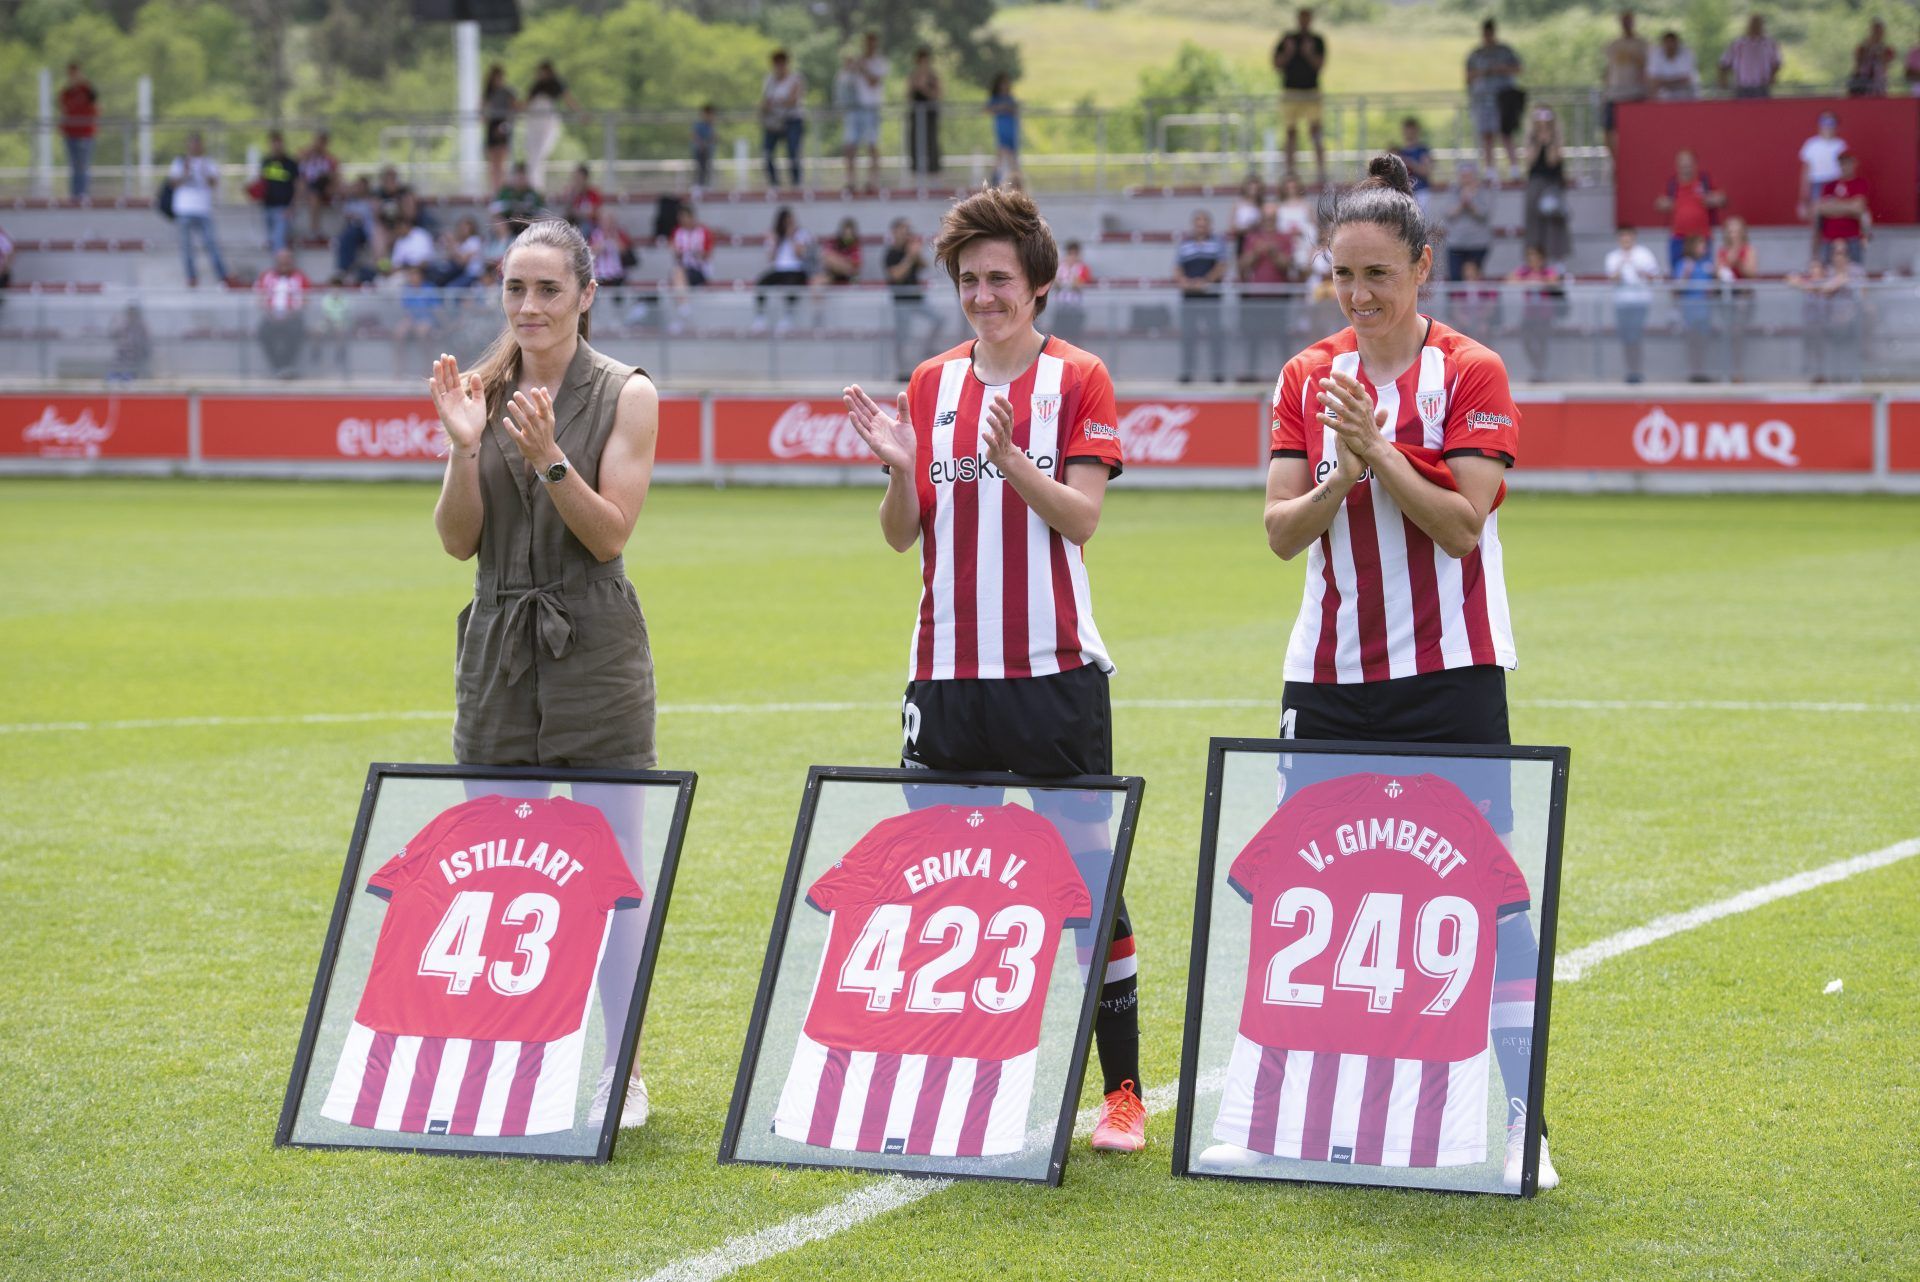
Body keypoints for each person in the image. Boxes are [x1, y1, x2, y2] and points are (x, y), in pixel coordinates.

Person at [1257, 151, 1553, 1192]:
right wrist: (1340, 474)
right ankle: (1319, 1113)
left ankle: (1524, 1121)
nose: (1359, 294)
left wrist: (1379, 454)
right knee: (1320, 893)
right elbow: (1281, 533)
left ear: (1424, 268)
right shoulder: (1305, 376)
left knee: (1486, 902)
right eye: (1343, 274)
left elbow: (1463, 528)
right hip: (1329, 678)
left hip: (1453, 674)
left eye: (1379, 273)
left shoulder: (1471, 371)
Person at [840, 184, 1149, 1156]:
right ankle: (955, 1083)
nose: (984, 295)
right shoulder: (930, 383)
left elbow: (1083, 518)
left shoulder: (1080, 379)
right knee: (940, 883)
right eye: (970, 281)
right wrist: (899, 470)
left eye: (1001, 280)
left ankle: (1124, 1094)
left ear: (1041, 286)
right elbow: (899, 539)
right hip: (946, 676)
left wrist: (1012, 459)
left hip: (1054, 674)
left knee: (1087, 882)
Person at [426, 217, 663, 1132]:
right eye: (514, 289)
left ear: (586, 296)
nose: (528, 306)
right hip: (496, 640)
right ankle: (499, 1059)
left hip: (595, 643)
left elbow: (609, 534)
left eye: (548, 290)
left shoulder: (627, 393)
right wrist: (461, 446)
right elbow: (456, 543)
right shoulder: (475, 389)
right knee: (490, 864)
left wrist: (547, 459)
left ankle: (623, 1070)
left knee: (611, 871)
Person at [1237, 202, 1298, 382]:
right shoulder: (1252, 238)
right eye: (1266, 217)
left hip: (1279, 297)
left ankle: (1288, 377)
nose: (1269, 221)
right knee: (1252, 338)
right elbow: (1243, 266)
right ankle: (1250, 373)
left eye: (1272, 218)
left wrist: (1272, 251)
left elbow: (1287, 266)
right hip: (1256, 297)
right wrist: (1256, 252)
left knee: (1282, 340)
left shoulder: (1285, 238)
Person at [1274, 8, 1327, 187]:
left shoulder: (1317, 40)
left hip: (1311, 91)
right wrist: (1288, 52)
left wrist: (1308, 52)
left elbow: (1320, 65)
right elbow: (1276, 64)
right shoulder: (1288, 38)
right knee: (1290, 132)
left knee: (1316, 131)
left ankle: (1321, 171)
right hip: (1291, 91)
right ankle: (1289, 171)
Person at [1466, 19, 1524, 181]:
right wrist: (1483, 72)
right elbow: (1468, 76)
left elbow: (1518, 68)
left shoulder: (1505, 51)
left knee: (1506, 135)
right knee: (1487, 136)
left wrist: (1502, 69)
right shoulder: (1476, 54)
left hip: (1503, 100)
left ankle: (1514, 170)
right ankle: (1490, 171)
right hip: (1483, 100)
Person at [168, 132, 228, 287]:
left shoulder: (208, 163)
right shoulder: (179, 162)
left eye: (197, 143)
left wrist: (203, 171)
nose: (194, 147)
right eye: (191, 143)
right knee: (187, 246)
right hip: (184, 209)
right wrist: (185, 173)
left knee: (211, 243)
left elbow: (214, 183)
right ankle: (191, 277)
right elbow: (173, 184)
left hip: (203, 209)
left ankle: (222, 276)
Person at [1175, 209, 1228, 384]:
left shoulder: (1217, 242)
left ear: (1209, 225)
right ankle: (1187, 373)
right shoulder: (1184, 243)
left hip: (1211, 296)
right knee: (1188, 336)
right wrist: (1186, 282)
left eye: (1204, 221)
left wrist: (1205, 281)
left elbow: (1221, 266)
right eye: (1198, 221)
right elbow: (1177, 268)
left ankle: (1217, 374)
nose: (1201, 224)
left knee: (1215, 336)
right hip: (1189, 297)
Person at [883, 217, 941, 378]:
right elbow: (896, 276)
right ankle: (901, 371)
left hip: (917, 298)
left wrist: (916, 253)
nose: (906, 233)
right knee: (902, 338)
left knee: (938, 320)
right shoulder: (891, 253)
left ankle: (926, 348)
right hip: (901, 302)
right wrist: (909, 256)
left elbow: (924, 267)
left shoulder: (909, 249)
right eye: (903, 229)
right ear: (895, 232)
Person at [1604, 226, 1662, 384]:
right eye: (1623, 237)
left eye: (1628, 236)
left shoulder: (1644, 254)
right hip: (1622, 303)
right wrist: (1622, 265)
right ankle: (1630, 370)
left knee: (1635, 337)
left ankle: (1637, 370)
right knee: (1626, 338)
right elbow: (1612, 278)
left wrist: (1640, 270)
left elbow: (1655, 277)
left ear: (1634, 237)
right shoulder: (1613, 257)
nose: (1626, 240)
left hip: (1639, 302)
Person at [1654, 148, 1725, 275]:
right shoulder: (1673, 184)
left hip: (1701, 237)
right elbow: (1659, 203)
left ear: (1695, 164)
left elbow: (1723, 199)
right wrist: (1663, 203)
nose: (1685, 167)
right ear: (1677, 166)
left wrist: (1715, 199)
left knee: (1704, 272)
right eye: (1682, 164)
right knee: (1678, 273)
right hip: (1678, 237)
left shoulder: (1704, 181)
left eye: (1688, 164)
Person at [1506, 244, 1564, 383]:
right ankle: (1537, 368)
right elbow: (1510, 280)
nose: (1533, 259)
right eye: (1530, 256)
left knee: (1542, 343)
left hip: (1544, 315)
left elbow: (1554, 280)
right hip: (1529, 314)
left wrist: (1538, 281)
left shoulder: (1546, 271)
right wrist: (1528, 280)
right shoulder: (1525, 271)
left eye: (1536, 256)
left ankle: (1541, 372)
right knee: (1526, 341)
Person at [751, 206, 813, 333]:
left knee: (790, 284)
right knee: (761, 283)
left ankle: (788, 315)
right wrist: (773, 241)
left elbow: (801, 254)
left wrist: (791, 237)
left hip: (796, 268)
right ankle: (760, 316)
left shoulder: (802, 234)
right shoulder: (776, 236)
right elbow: (771, 258)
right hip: (779, 268)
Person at [522, 60, 580, 193]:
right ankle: (534, 184)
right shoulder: (536, 86)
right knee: (533, 154)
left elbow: (568, 99)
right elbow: (526, 103)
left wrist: (580, 113)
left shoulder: (556, 84)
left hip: (546, 120)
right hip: (534, 121)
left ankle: (537, 185)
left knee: (540, 153)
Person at [1522, 107, 1570, 267]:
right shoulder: (1530, 138)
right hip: (1535, 183)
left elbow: (1552, 161)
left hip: (1552, 185)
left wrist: (1549, 141)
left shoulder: (1557, 138)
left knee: (1554, 223)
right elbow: (1530, 161)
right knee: (1534, 224)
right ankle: (1534, 260)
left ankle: (1556, 261)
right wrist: (1537, 140)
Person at [841, 32, 887, 194]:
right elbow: (845, 82)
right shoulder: (857, 62)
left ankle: (872, 181)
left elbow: (874, 81)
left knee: (872, 145)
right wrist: (849, 67)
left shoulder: (879, 62)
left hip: (871, 109)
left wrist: (862, 67)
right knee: (850, 146)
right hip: (855, 108)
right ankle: (850, 181)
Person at [1714, 214, 1759, 382]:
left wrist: (1737, 262)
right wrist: (1726, 262)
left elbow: (1751, 273)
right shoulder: (1722, 251)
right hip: (1726, 298)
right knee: (1727, 334)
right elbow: (1718, 273)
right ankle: (1726, 369)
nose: (1733, 234)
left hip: (1742, 297)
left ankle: (1737, 371)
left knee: (1738, 335)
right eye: (1730, 231)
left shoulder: (1749, 249)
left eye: (1737, 231)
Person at [254, 247, 310, 378]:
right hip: (271, 317)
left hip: (292, 317)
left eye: (287, 262)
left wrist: (291, 314)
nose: (284, 265)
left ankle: (287, 365)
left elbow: (306, 301)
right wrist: (270, 313)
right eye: (281, 262)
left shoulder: (300, 277)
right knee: (263, 332)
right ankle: (278, 366)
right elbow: (259, 299)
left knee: (297, 331)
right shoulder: (266, 276)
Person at [1601, 11, 1649, 160]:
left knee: (1637, 132)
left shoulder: (1642, 44)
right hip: (1614, 94)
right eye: (1623, 21)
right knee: (1608, 129)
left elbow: (1648, 68)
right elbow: (1608, 69)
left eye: (1629, 21)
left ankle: (1636, 159)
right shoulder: (1613, 45)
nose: (1626, 24)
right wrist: (1606, 90)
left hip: (1636, 95)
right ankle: (1616, 161)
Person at [1798, 112, 1848, 251]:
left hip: (1835, 183)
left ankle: (1835, 258)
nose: (1827, 127)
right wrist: (1803, 198)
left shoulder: (1840, 144)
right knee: (1816, 224)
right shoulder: (1811, 144)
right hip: (1817, 184)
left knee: (1835, 222)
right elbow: (1806, 171)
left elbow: (1845, 169)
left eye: (1831, 123)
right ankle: (1815, 260)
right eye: (1824, 123)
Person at [1814, 151, 1871, 267]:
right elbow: (1821, 208)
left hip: (1852, 237)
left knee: (1855, 271)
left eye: (1848, 163)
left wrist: (1834, 205)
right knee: (1827, 273)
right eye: (1842, 164)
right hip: (1829, 237)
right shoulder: (1830, 186)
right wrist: (1848, 207)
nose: (1845, 167)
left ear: (1854, 164)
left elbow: (1859, 208)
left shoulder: (1859, 183)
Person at [1438, 161, 1493, 281]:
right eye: (1463, 176)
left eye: (1469, 176)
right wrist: (1462, 203)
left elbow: (1484, 214)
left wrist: (1471, 204)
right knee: (1455, 278)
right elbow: (1447, 213)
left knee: (1475, 280)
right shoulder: (1452, 191)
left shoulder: (1484, 191)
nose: (1466, 179)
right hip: (1456, 244)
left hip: (1478, 244)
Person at [1672, 234, 1716, 382]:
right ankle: (1693, 372)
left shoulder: (1707, 264)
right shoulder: (1684, 264)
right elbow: (1677, 288)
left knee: (1703, 342)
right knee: (1692, 342)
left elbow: (1714, 285)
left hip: (1706, 309)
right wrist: (1686, 273)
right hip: (1690, 309)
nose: (1704, 248)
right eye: (1700, 245)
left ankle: (1702, 371)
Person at [760, 50, 807, 189]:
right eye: (776, 63)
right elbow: (765, 102)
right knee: (767, 153)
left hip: (792, 120)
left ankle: (796, 182)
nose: (779, 66)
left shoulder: (796, 78)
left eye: (781, 63)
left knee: (793, 151)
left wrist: (777, 102)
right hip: (773, 122)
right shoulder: (769, 80)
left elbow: (793, 100)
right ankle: (774, 183)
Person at [668, 202, 713, 333]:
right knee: (678, 273)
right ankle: (683, 309)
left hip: (699, 270)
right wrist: (676, 251)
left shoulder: (703, 232)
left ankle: (683, 310)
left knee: (678, 274)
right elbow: (675, 253)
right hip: (683, 269)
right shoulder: (677, 232)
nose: (684, 221)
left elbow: (707, 255)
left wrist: (693, 251)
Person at [58, 63, 98, 201]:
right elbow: (63, 108)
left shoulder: (87, 90)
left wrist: (85, 83)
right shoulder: (66, 92)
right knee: (74, 164)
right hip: (71, 133)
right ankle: (75, 194)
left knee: (83, 164)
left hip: (85, 133)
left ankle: (83, 193)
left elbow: (94, 100)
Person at [257, 129, 299, 254]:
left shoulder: (290, 163)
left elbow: (298, 186)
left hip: (283, 208)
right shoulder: (266, 162)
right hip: (268, 206)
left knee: (278, 240)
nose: (276, 146)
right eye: (273, 143)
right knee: (272, 240)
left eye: (278, 143)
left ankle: (281, 270)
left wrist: (292, 206)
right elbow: (261, 182)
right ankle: (278, 268)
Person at [1718, 15, 1780, 98]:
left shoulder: (1769, 44)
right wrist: (1723, 80)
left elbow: (1776, 63)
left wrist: (1773, 76)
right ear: (1749, 26)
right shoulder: (1738, 44)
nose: (1756, 27)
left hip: (1762, 86)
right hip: (1742, 87)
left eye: (1759, 24)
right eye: (1754, 24)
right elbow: (1724, 63)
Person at [481, 64, 519, 195]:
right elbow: (482, 110)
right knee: (493, 163)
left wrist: (505, 124)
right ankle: (494, 190)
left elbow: (514, 108)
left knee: (501, 162)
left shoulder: (507, 92)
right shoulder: (488, 92)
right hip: (492, 125)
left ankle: (501, 190)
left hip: (503, 124)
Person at [1051, 237, 1093, 347]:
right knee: (1059, 335)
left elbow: (1080, 284)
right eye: (1070, 253)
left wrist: (1069, 275)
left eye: (1075, 254)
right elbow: (1054, 283)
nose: (1072, 256)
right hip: (1061, 307)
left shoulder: (1082, 268)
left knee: (1075, 337)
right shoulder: (1060, 267)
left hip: (1075, 308)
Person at [907, 48, 942, 176]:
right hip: (916, 114)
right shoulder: (913, 76)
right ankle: (916, 170)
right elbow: (908, 96)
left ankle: (933, 170)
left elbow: (938, 94)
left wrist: (924, 88)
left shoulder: (933, 77)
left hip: (930, 114)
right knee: (915, 141)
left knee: (931, 141)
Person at [297, 132, 339, 238]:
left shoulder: (329, 159)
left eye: (323, 142)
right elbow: (299, 170)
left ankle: (335, 200)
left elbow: (335, 174)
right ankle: (314, 229)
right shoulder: (307, 156)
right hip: (310, 187)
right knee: (313, 195)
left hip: (324, 186)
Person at [1392, 118, 1433, 215]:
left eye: (1411, 130)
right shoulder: (1400, 151)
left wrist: (1410, 163)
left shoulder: (1423, 150)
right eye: (1406, 130)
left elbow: (1426, 171)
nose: (1408, 133)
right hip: (1404, 193)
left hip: (1421, 192)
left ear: (1416, 131)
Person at [987, 73, 1022, 189]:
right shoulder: (996, 99)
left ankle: (1016, 185)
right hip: (1002, 130)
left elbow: (1016, 110)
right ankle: (993, 184)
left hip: (1011, 130)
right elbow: (987, 109)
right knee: (1001, 156)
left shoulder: (1010, 98)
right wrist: (1001, 108)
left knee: (1012, 159)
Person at [491, 162, 545, 235]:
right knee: (498, 220)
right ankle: (504, 243)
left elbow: (541, 212)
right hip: (508, 222)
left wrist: (525, 218)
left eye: (522, 177)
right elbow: (494, 209)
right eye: (518, 176)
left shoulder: (532, 194)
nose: (520, 180)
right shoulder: (505, 192)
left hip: (527, 223)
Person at [107, 301, 153, 383]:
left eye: (133, 313)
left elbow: (146, 342)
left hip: (134, 359)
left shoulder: (141, 326)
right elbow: (113, 335)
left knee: (127, 377)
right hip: (121, 357)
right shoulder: (124, 325)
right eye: (130, 313)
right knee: (113, 376)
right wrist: (112, 323)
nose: (131, 315)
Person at [1647, 29, 1700, 100]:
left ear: (1677, 43)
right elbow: (1652, 80)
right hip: (1664, 96)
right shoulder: (1655, 54)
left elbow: (1686, 79)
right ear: (1663, 44)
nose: (1670, 45)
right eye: (1667, 43)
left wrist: (1663, 82)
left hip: (1687, 95)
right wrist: (1675, 82)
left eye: (1672, 42)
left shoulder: (1687, 53)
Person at [1849, 19, 1894, 96]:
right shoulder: (1862, 48)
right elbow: (1858, 62)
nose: (1876, 33)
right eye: (1874, 31)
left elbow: (1886, 63)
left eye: (1879, 31)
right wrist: (1868, 48)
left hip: (1879, 85)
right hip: (1862, 84)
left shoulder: (1887, 49)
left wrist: (1878, 50)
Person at [816, 216, 864, 286]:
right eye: (846, 234)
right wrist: (842, 262)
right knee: (817, 282)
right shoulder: (833, 242)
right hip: (833, 275)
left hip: (848, 277)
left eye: (850, 235)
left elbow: (855, 267)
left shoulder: (855, 246)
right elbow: (826, 258)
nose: (848, 237)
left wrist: (838, 261)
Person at [1230, 174, 1267, 257]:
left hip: (1257, 240)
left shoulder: (1262, 205)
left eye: (1256, 188)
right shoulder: (1238, 204)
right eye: (1250, 187)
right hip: (1242, 239)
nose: (1253, 190)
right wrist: (1245, 229)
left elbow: (1266, 224)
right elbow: (1232, 226)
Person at [558, 163, 603, 230]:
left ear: (585, 178)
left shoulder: (593, 193)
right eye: (575, 177)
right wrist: (573, 195)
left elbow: (595, 213)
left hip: (589, 224)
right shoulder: (572, 192)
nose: (577, 180)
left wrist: (579, 213)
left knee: (585, 227)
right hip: (574, 222)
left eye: (579, 177)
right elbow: (567, 211)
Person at [691, 104, 716, 191]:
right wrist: (702, 144)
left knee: (707, 168)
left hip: (708, 150)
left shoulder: (711, 125)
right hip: (700, 150)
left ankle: (706, 185)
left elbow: (713, 137)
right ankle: (698, 186)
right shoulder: (698, 124)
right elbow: (695, 136)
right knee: (700, 168)